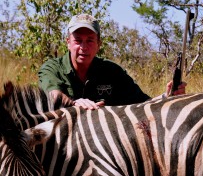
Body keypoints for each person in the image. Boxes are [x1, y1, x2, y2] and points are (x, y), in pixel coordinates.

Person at [38, 14, 186, 109]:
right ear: (68, 43)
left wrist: (166, 96)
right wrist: (74, 103)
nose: (83, 47)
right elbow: (54, 95)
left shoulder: (112, 71)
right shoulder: (52, 68)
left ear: (98, 44)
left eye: (90, 40)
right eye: (78, 41)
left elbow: (143, 102)